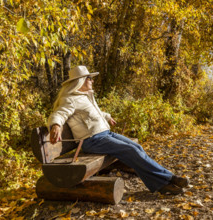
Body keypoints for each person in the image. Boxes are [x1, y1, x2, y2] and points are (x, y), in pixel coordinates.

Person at [48, 65, 189, 195]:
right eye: (89, 78)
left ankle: (161, 184)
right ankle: (169, 178)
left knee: (136, 147)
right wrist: (56, 125)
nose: (92, 81)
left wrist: (107, 117)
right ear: (81, 81)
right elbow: (59, 113)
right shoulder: (70, 99)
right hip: (92, 140)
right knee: (131, 151)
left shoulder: (85, 96)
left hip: (104, 134)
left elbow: (94, 113)